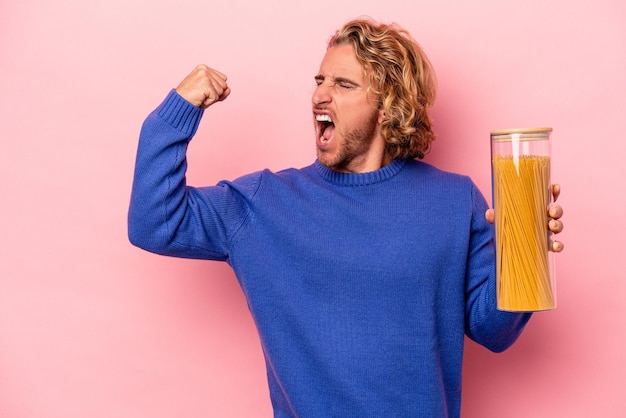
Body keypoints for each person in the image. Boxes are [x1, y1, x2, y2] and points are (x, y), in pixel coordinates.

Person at [128, 18, 564, 417]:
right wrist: (174, 114)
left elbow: (494, 331)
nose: (320, 93)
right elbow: (153, 222)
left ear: (388, 103)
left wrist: (528, 250)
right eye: (319, 80)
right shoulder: (262, 204)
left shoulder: (454, 199)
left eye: (342, 83)